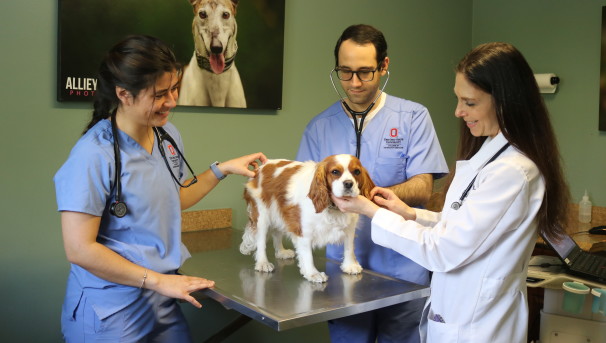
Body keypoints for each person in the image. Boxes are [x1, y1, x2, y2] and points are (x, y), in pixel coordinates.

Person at [331, 42, 570, 343]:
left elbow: (444, 250)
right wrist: (410, 214)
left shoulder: (512, 172)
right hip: (462, 315)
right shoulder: (493, 154)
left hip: (478, 327)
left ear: (505, 101)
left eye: (469, 103)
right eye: (458, 100)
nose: (458, 112)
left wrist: (370, 210)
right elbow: (464, 224)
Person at [54, 35, 267, 342]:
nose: (172, 101)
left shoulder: (167, 135)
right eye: (159, 94)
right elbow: (79, 249)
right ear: (124, 94)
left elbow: (174, 197)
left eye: (174, 89)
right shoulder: (93, 155)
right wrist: (156, 281)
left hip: (160, 297)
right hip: (112, 309)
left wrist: (222, 170)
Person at [296, 24, 448, 343]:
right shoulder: (318, 128)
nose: (354, 82)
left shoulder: (413, 117)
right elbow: (306, 196)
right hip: (343, 272)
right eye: (345, 72)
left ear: (384, 66)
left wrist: (368, 198)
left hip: (404, 269)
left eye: (365, 72)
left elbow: (423, 187)